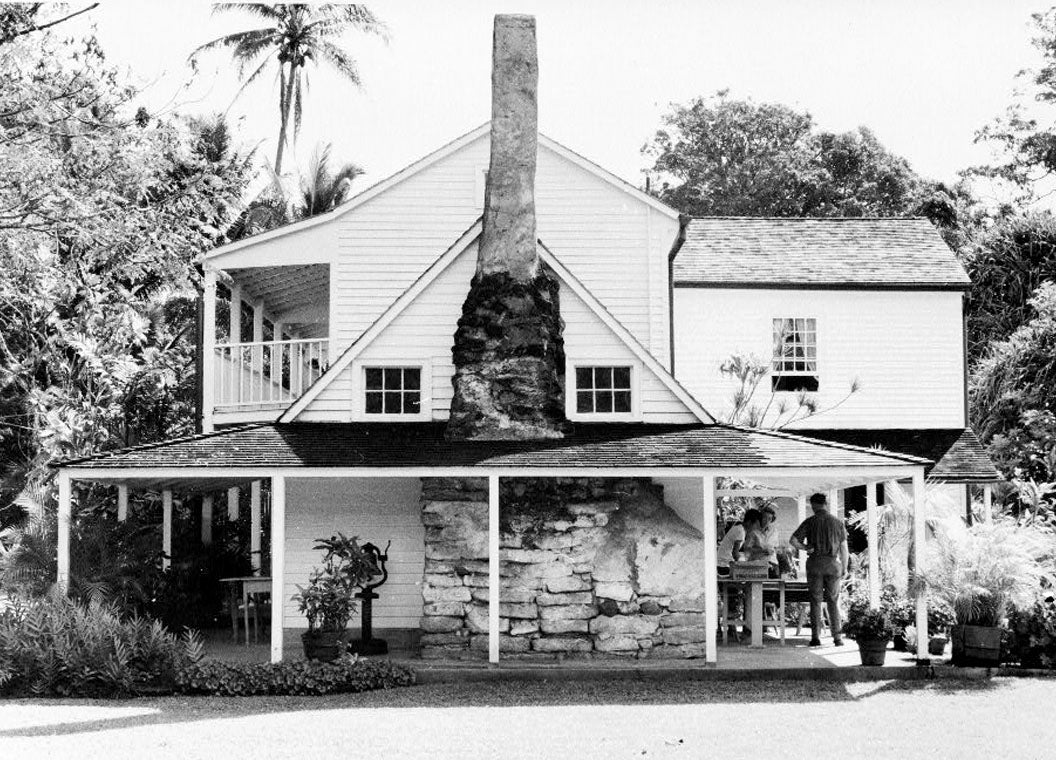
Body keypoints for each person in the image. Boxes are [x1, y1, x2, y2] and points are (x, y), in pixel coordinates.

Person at [790, 492, 849, 647]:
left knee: (815, 601)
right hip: (833, 565)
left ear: (814, 505)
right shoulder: (837, 523)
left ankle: (815, 637)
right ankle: (837, 638)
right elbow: (844, 549)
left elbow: (793, 540)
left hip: (815, 564)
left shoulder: (810, 522)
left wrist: (805, 548)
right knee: (833, 601)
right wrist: (845, 567)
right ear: (826, 503)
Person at [758, 504, 780, 578]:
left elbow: (775, 547)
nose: (767, 521)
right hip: (757, 564)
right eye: (764, 517)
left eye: (769, 519)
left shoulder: (774, 531)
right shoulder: (753, 530)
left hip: (772, 563)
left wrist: (773, 551)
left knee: (774, 586)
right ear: (760, 518)